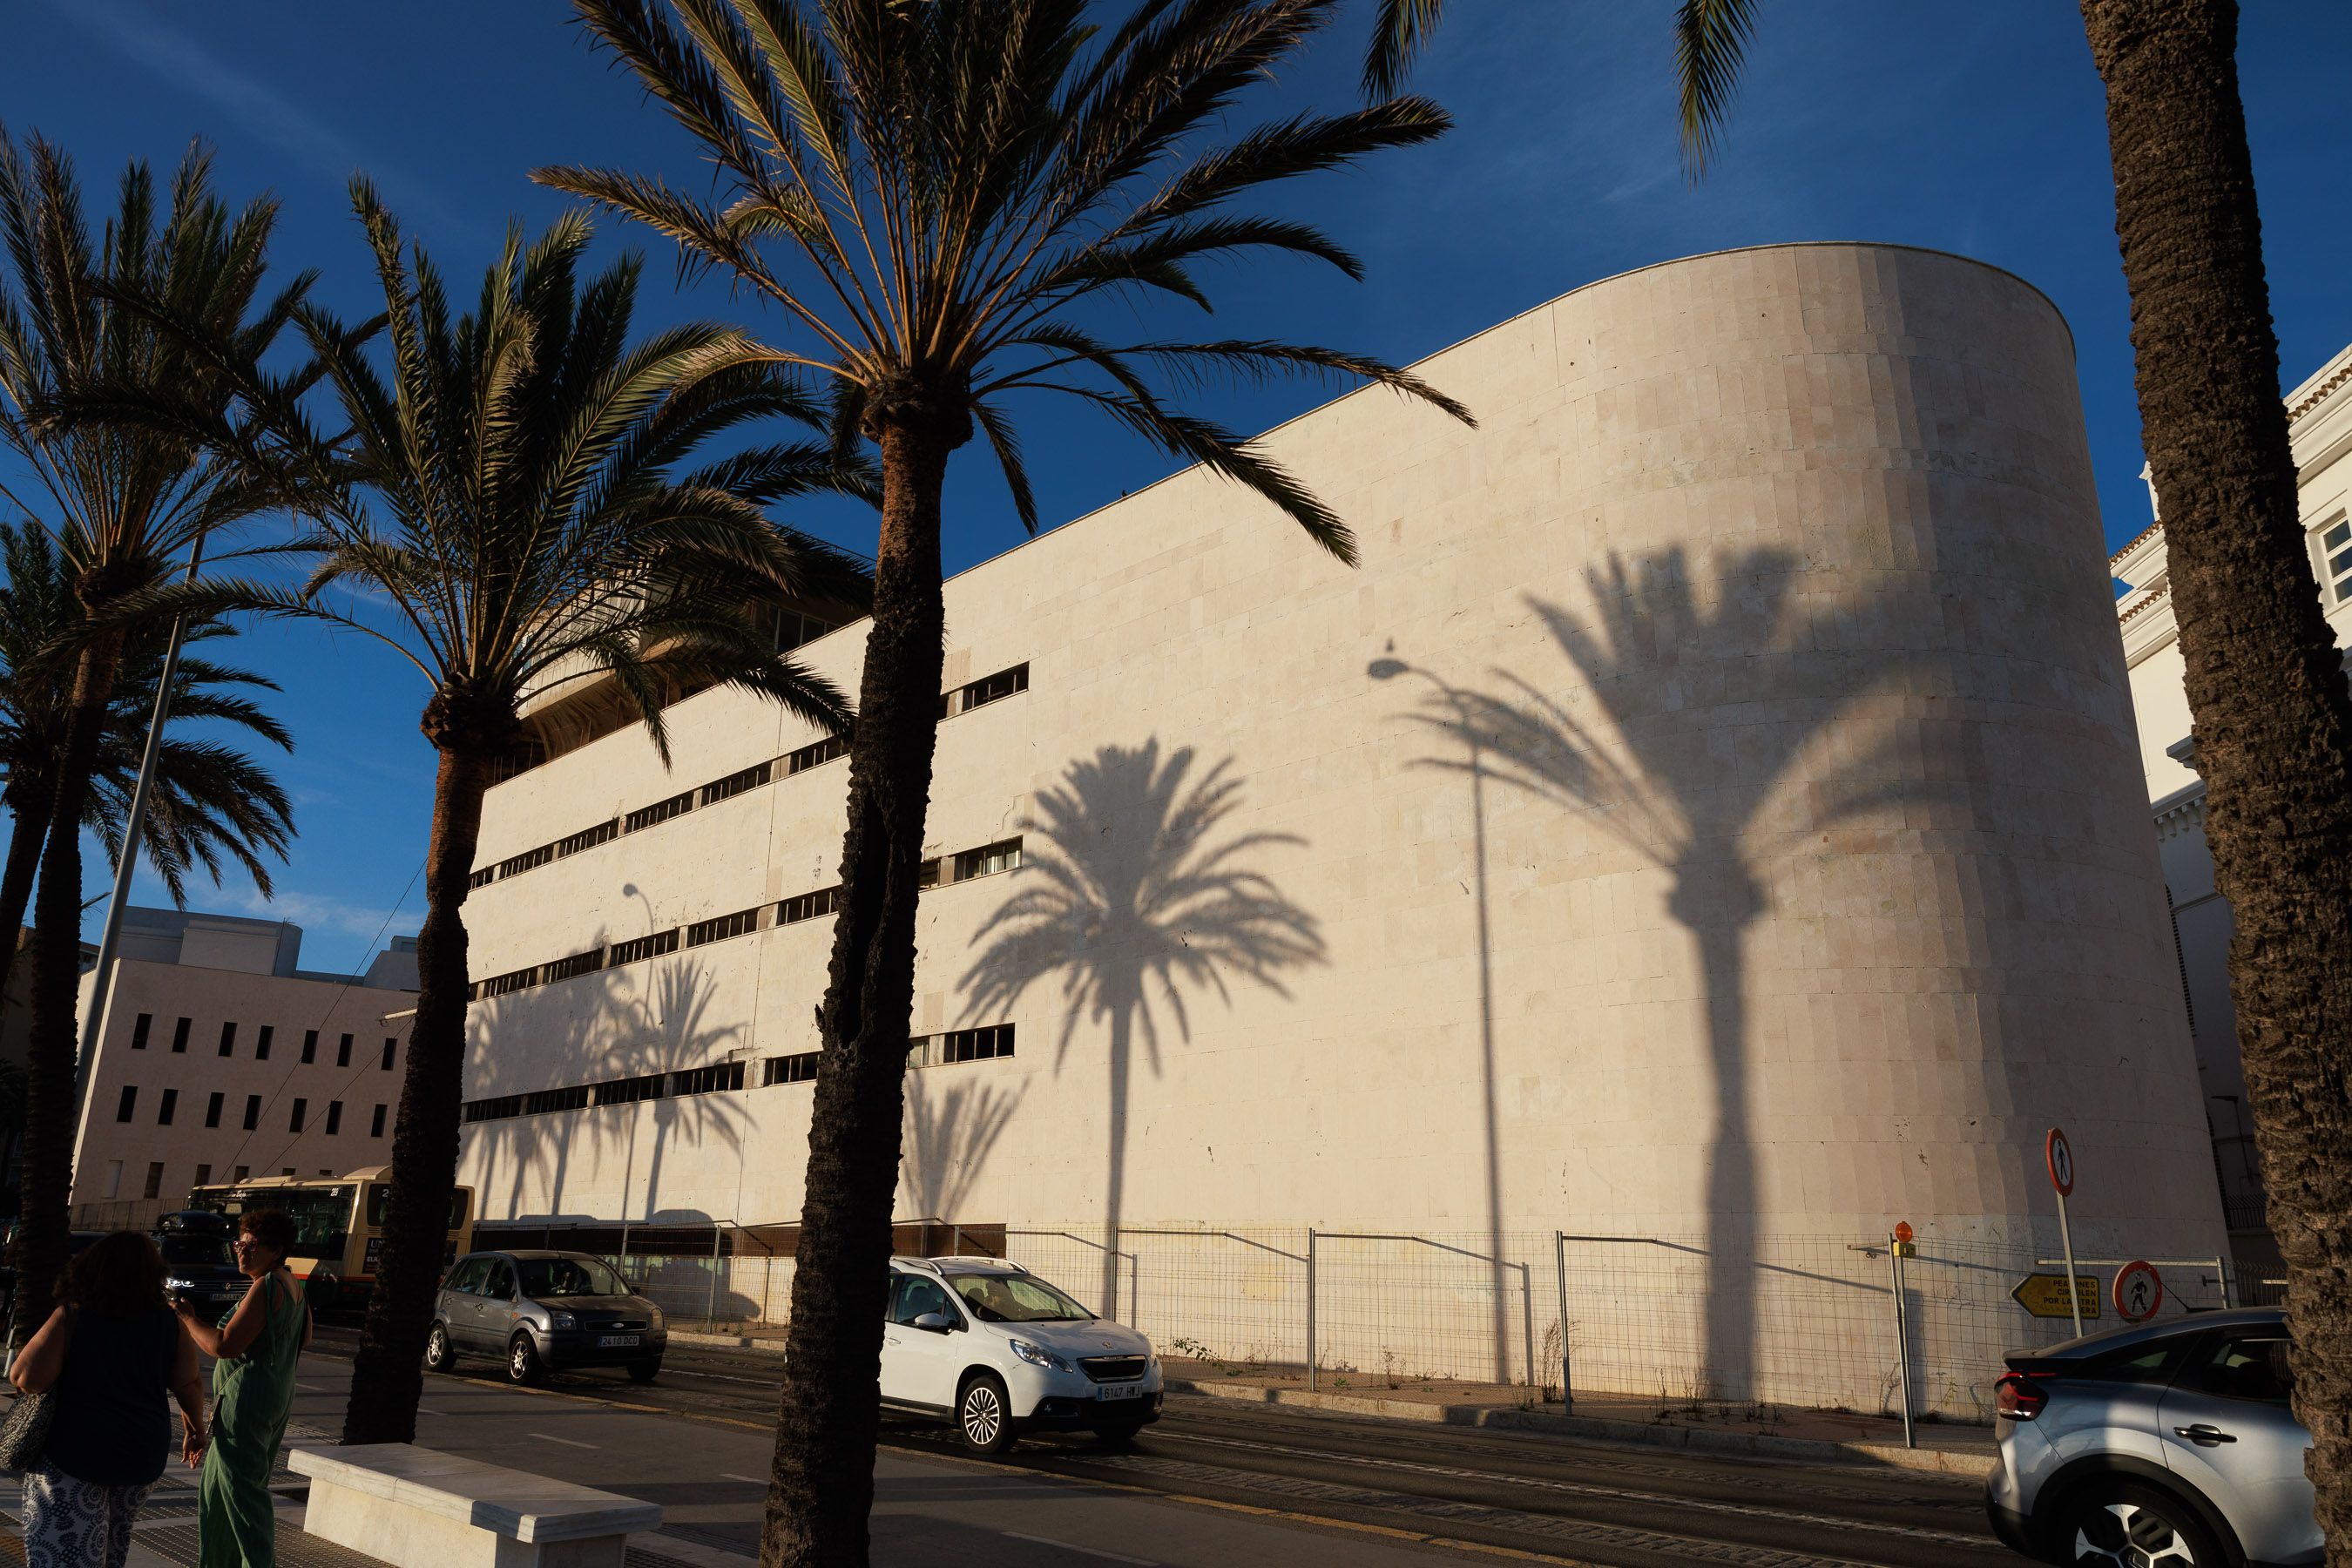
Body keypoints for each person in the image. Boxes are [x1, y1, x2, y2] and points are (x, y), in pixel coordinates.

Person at [9, 1231, 208, 1568]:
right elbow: (189, 1383)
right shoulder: (168, 1323)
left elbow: (26, 1379)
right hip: (140, 1455)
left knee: (67, 1552)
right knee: (113, 1545)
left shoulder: (75, 1316)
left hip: (75, 1454)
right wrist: (196, 1430)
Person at [176, 1209, 309, 1568]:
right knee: (218, 1489)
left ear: (276, 1249)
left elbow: (223, 1345)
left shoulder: (267, 1285)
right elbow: (302, 1338)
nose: (241, 1251)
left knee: (241, 1493)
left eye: (251, 1245)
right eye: (239, 1243)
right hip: (273, 1394)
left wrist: (188, 1318)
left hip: (246, 1401)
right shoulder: (294, 1285)